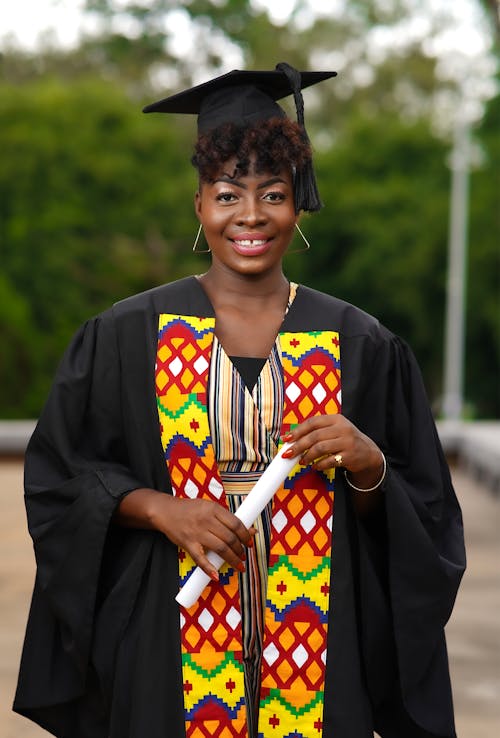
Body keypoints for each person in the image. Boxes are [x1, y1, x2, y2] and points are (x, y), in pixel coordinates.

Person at [14, 62, 465, 738]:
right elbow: (61, 479)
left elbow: (421, 518)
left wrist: (368, 463)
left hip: (318, 644)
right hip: (169, 641)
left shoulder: (359, 340)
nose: (250, 216)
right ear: (199, 205)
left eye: (273, 193)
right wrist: (161, 509)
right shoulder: (126, 334)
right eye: (228, 195)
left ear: (298, 203)